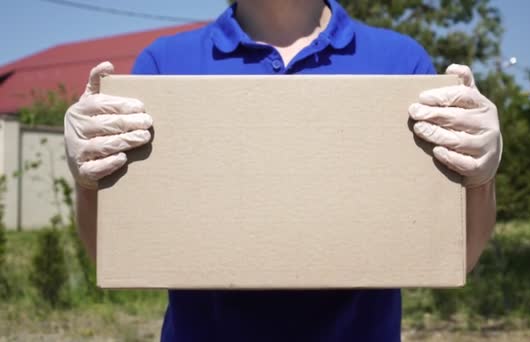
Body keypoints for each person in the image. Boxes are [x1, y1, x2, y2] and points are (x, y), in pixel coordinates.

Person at [64, 0, 501, 341]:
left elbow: (458, 256)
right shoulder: (164, 65)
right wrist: (89, 180)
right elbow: (115, 254)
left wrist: (479, 178)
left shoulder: (400, 62)